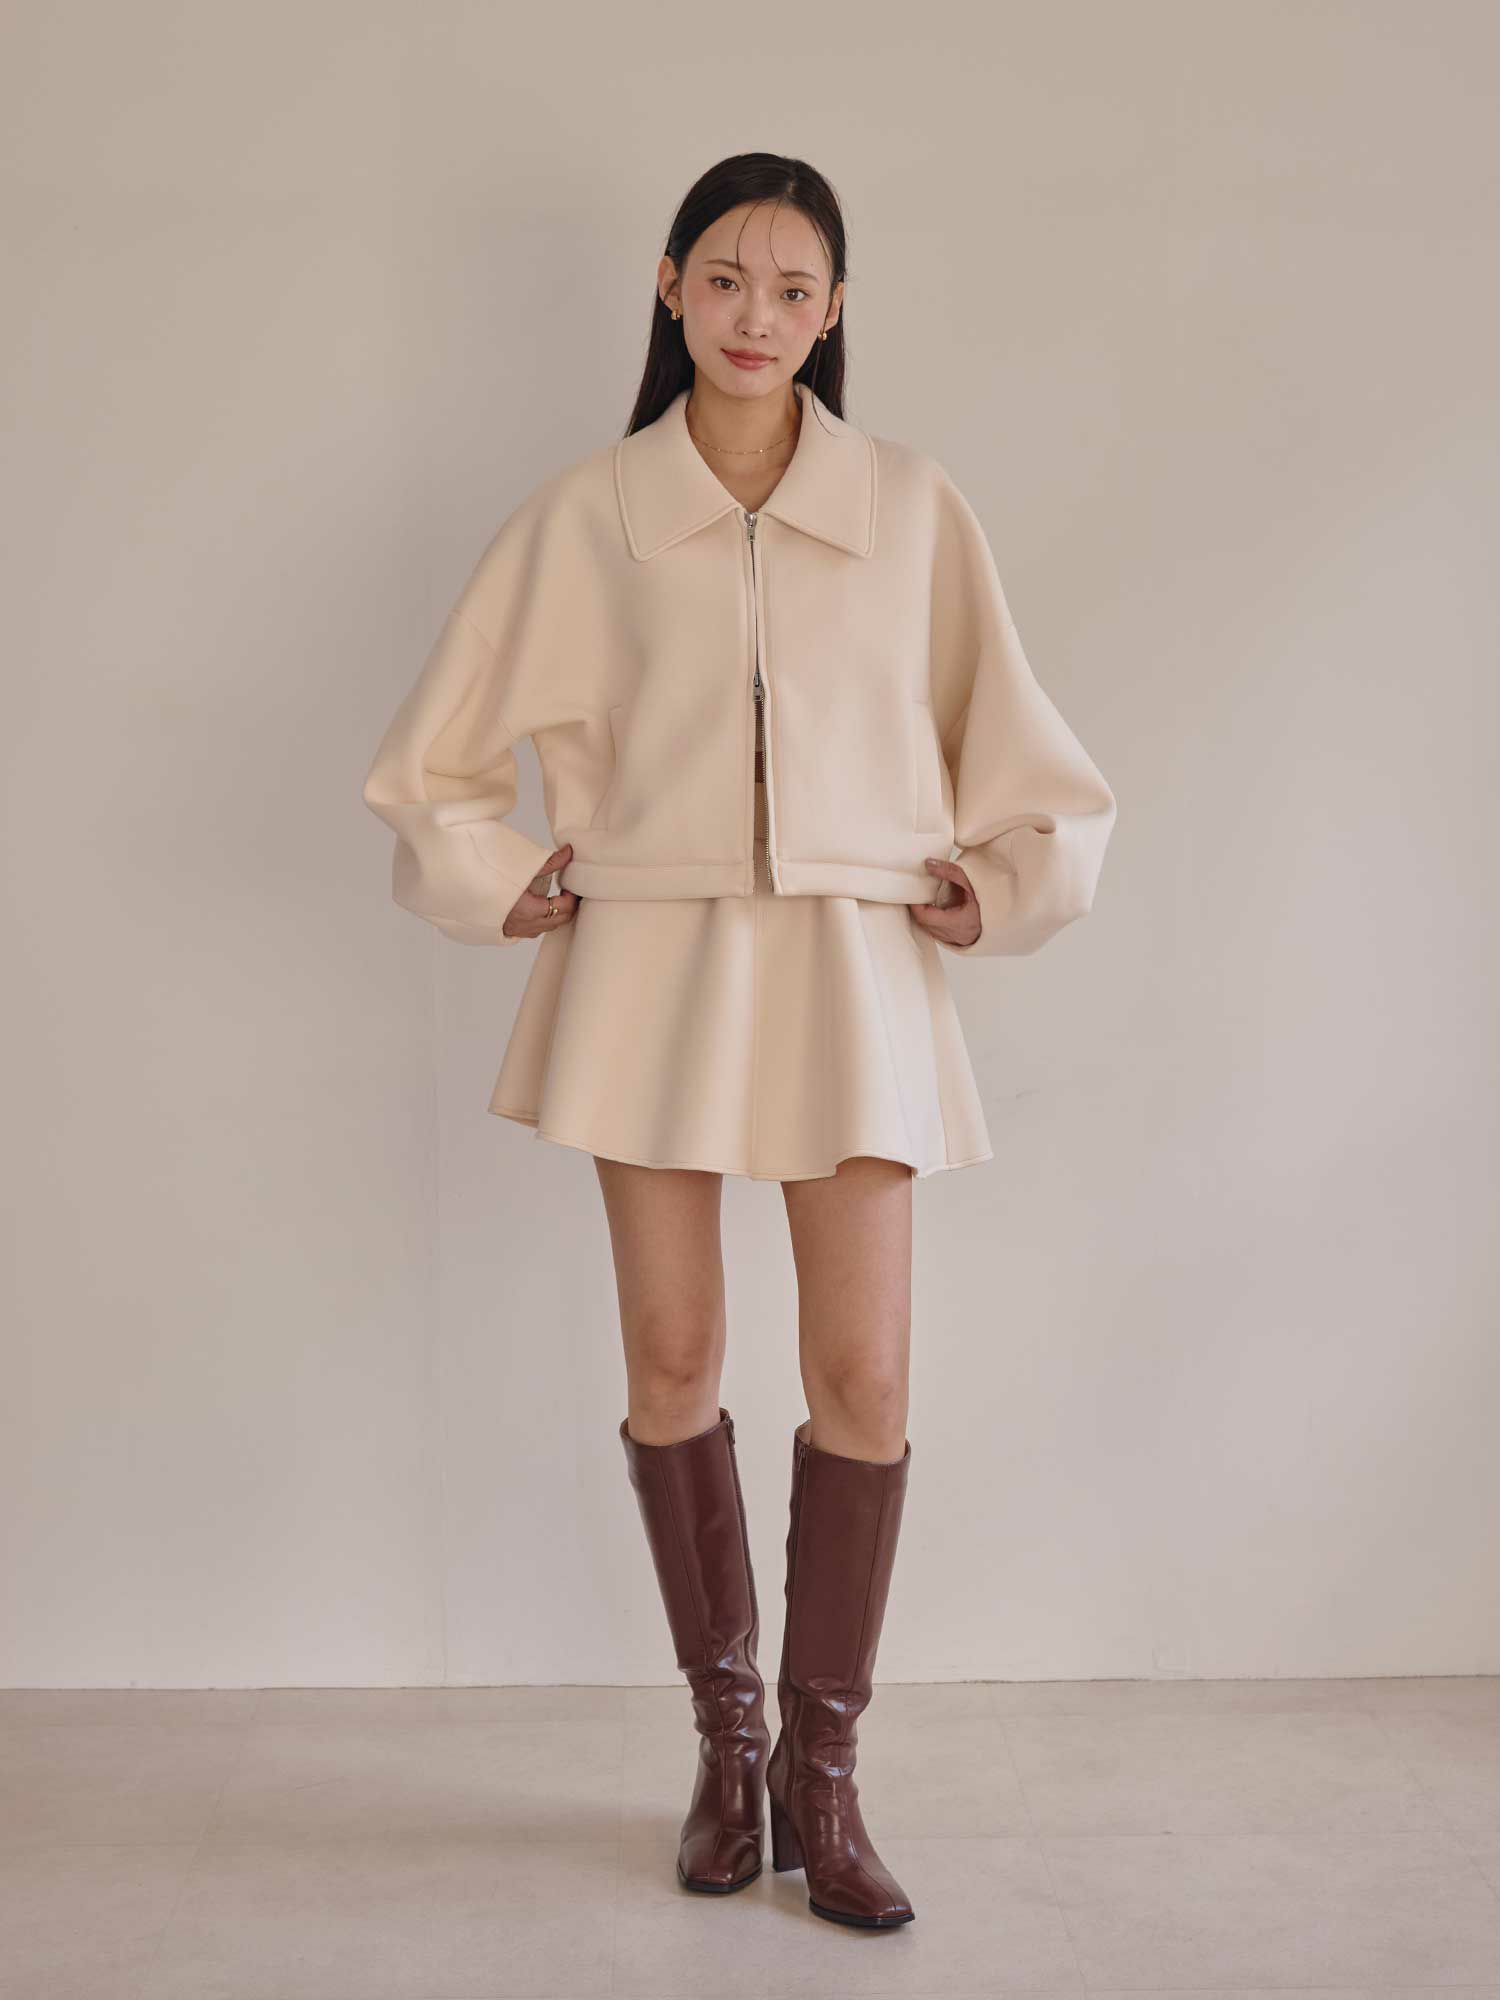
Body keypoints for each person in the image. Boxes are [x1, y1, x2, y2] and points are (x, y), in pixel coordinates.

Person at [362, 152, 1116, 1930]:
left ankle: (821, 1777)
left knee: (867, 1380)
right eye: (724, 279)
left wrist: (999, 887)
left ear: (835, 310)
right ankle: (726, 1747)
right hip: (654, 961)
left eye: (792, 288)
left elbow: (1026, 751)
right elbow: (429, 768)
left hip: (854, 966)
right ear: (670, 289)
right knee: (675, 1354)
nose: (756, 315)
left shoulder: (913, 510)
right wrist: (502, 875)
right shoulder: (585, 516)